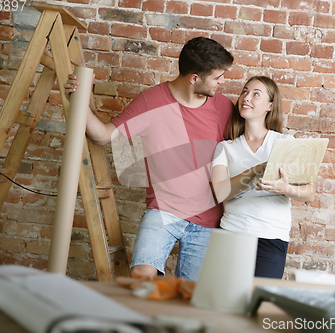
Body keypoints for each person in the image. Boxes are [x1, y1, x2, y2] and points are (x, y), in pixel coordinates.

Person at [65, 37, 234, 281]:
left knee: (192, 295)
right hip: (164, 211)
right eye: (218, 77)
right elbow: (102, 136)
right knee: (141, 276)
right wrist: (79, 99)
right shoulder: (151, 101)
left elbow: (241, 151)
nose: (223, 82)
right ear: (194, 78)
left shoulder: (223, 107)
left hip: (208, 218)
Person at [211, 76, 316, 279]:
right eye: (244, 92)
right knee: (224, 305)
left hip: (271, 238)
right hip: (231, 234)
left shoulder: (285, 143)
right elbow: (220, 193)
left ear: (270, 106)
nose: (246, 97)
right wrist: (257, 170)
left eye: (255, 94)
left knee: (257, 305)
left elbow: (309, 193)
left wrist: (286, 189)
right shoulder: (224, 148)